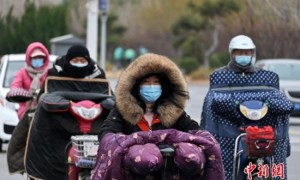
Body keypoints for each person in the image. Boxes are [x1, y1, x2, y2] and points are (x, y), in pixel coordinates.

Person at [92, 53, 225, 180]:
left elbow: (195, 131)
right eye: (146, 82)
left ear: (164, 86)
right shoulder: (121, 111)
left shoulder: (174, 111)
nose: (151, 87)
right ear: (135, 86)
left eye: (156, 82)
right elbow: (107, 134)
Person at [200, 35, 293, 180]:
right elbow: (214, 102)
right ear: (232, 53)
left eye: (247, 52)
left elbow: (282, 103)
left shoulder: (267, 77)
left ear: (252, 53)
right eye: (239, 52)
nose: (243, 56)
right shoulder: (220, 76)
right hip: (230, 135)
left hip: (264, 132)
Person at [8, 42, 50, 120]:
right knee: (21, 131)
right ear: (29, 58)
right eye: (35, 58)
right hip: (26, 111)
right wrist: (26, 95)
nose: (38, 60)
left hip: (45, 110)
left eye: (40, 57)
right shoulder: (22, 72)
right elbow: (14, 87)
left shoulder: (49, 73)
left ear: (45, 59)